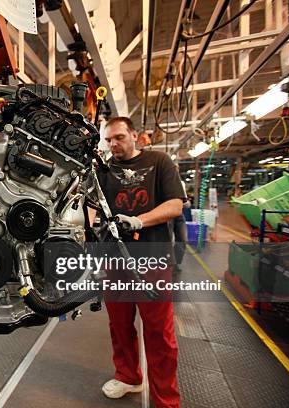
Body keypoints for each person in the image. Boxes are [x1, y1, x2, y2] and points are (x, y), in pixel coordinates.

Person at [92, 117, 185, 408]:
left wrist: (138, 221)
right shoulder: (103, 171)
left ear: (135, 136)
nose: (113, 144)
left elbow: (175, 205)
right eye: (108, 140)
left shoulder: (160, 161)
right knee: (119, 326)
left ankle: (166, 400)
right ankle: (128, 376)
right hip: (114, 261)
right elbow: (94, 209)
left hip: (152, 260)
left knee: (159, 333)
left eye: (118, 137)